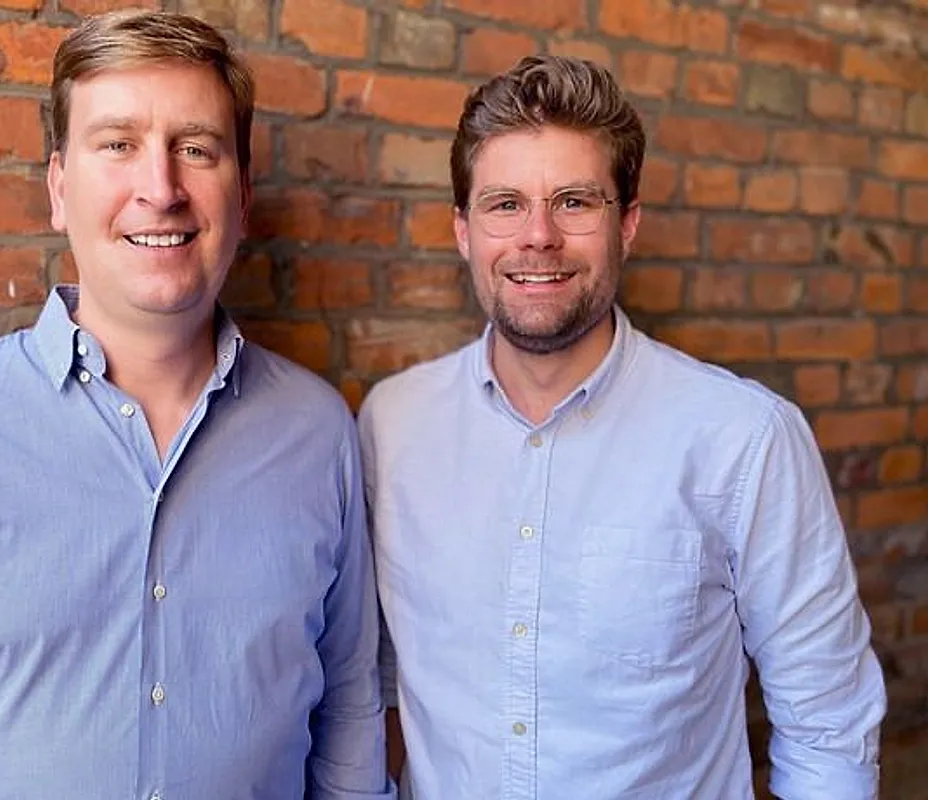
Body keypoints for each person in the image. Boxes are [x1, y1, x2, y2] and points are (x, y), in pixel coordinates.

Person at [0, 11, 392, 799]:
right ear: (60, 189)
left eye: (196, 149)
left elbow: (346, 729)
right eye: (117, 145)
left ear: (242, 197)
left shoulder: (318, 433)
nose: (161, 189)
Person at [359, 55, 886, 799]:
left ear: (627, 224)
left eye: (574, 202)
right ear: (463, 231)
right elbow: (381, 687)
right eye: (505, 204)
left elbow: (828, 727)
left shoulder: (745, 439)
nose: (537, 236)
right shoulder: (393, 423)